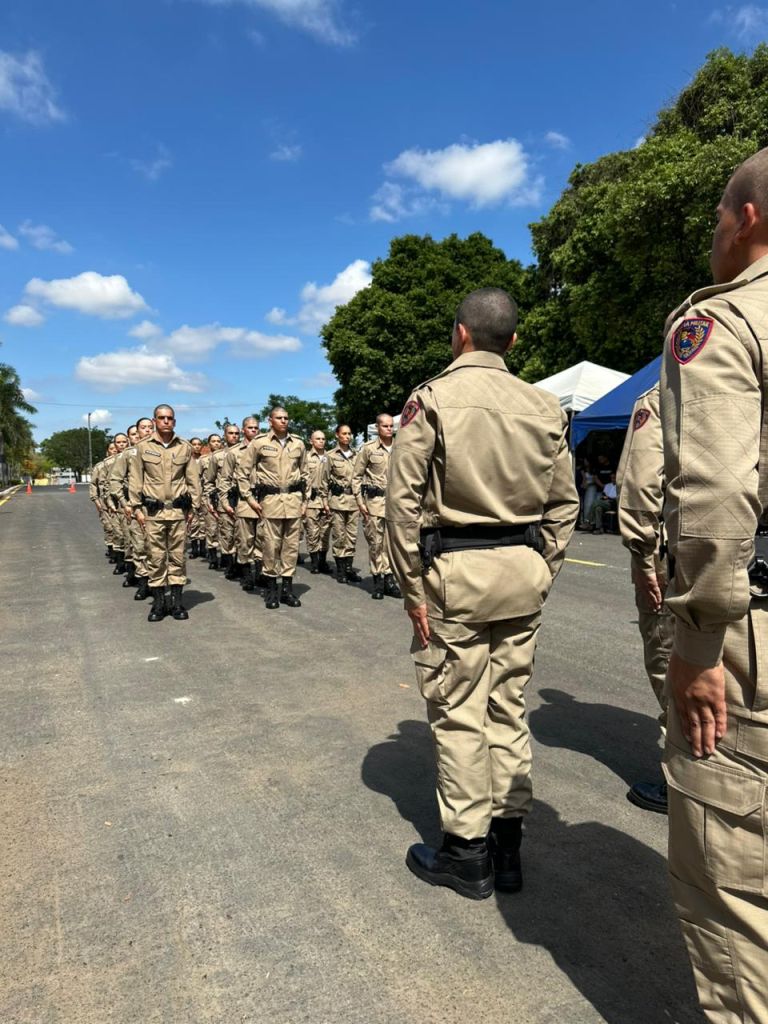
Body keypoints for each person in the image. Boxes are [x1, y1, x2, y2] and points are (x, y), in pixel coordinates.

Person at [386, 287, 579, 900]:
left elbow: (401, 507)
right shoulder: (544, 405)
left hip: (456, 575)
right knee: (507, 705)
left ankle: (466, 852)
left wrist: (413, 591)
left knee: (460, 710)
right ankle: (509, 844)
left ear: (459, 334)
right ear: (512, 340)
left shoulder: (435, 399)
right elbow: (564, 504)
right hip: (520, 573)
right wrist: (540, 567)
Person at [659, 147, 768, 1023]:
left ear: (749, 218)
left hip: (753, 635)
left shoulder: (725, 321)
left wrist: (697, 644)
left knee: (732, 885)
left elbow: (718, 494)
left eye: (718, 217)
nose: (715, 235)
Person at [616, 386, 673, 814]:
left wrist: (643, 557)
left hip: (687, 555)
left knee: (671, 660)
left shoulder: (664, 394)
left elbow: (640, 481)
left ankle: (691, 777)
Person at [128, 404, 202, 622]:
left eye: (170, 418)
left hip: (178, 512)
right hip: (153, 513)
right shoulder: (142, 448)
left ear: (175, 421)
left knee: (178, 558)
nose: (166, 421)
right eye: (162, 418)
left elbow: (193, 480)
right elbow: (135, 480)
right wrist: (136, 509)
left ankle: (177, 603)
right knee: (156, 558)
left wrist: (194, 508)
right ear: (155, 421)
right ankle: (159, 604)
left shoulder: (184, 448)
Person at [237, 407, 309, 609]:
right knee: (270, 546)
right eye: (279, 418)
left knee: (291, 547)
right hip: (270, 502)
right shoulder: (260, 443)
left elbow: (306, 474)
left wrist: (305, 501)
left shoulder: (299, 444)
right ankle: (271, 590)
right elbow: (242, 473)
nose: (283, 421)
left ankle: (286, 590)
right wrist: (249, 499)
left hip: (293, 502)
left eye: (286, 418)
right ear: (270, 421)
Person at [353, 414, 402, 600]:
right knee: (376, 543)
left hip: (396, 504)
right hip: (374, 503)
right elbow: (356, 477)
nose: (389, 429)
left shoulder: (401, 447)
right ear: (378, 427)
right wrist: (360, 502)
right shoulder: (368, 449)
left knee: (391, 545)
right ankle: (378, 580)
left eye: (391, 426)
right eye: (385, 426)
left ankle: (390, 579)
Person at [108, 419, 154, 597]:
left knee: (156, 549)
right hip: (136, 508)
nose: (147, 431)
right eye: (143, 429)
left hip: (157, 509)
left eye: (151, 428)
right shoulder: (127, 454)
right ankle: (144, 583)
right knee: (139, 546)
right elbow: (115, 481)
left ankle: (156, 582)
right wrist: (124, 503)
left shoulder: (159, 451)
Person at [218, 416, 261, 590]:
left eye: (256, 428)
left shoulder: (265, 448)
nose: (254, 431)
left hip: (264, 499)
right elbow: (224, 480)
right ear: (244, 430)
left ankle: (260, 574)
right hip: (244, 501)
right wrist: (225, 503)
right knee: (244, 541)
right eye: (250, 428)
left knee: (264, 541)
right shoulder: (234, 452)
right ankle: (246, 575)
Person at [325, 424, 362, 585]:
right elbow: (323, 480)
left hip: (353, 500)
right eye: (344, 434)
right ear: (337, 435)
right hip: (338, 501)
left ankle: (348, 568)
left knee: (352, 536)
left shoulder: (357, 455)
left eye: (349, 434)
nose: (347, 436)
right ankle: (340, 571)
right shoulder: (330, 456)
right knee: (339, 536)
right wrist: (324, 502)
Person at [204, 423, 240, 572]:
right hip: (224, 499)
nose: (234, 436)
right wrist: (210, 500)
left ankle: (240, 565)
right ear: (225, 436)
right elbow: (209, 480)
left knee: (243, 535)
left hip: (243, 499)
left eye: (237, 433)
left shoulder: (247, 453)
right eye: (231, 433)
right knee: (227, 534)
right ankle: (229, 564)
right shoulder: (216, 456)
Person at [304, 429, 332, 575]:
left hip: (326, 499)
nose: (321, 441)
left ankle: (323, 561)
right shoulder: (306, 458)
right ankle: (314, 562)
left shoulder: (330, 457)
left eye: (323, 439)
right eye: (318, 439)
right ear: (311, 441)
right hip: (311, 500)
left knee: (325, 532)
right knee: (312, 532)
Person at [199, 433, 222, 569]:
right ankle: (213, 557)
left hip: (224, 497)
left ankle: (227, 558)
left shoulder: (227, 456)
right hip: (209, 497)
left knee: (226, 531)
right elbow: (198, 479)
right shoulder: (203, 460)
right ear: (208, 444)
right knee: (211, 528)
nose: (216, 443)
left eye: (218, 441)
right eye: (213, 441)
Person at [187, 437, 207, 560]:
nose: (197, 446)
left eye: (199, 444)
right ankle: (194, 548)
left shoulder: (205, 460)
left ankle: (203, 548)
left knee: (204, 522)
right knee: (193, 523)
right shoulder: (187, 460)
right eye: (194, 444)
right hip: (191, 495)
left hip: (203, 494)